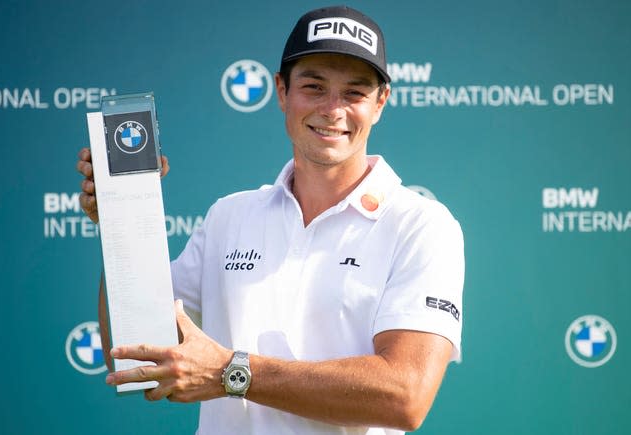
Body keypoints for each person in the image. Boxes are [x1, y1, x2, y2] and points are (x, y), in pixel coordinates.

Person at [77, 5, 464, 434]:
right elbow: (138, 354)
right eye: (314, 87)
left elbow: (405, 395)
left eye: (354, 92)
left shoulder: (422, 225)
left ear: (380, 103)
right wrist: (122, 223)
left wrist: (231, 372)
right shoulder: (230, 215)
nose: (333, 109)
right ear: (282, 91)